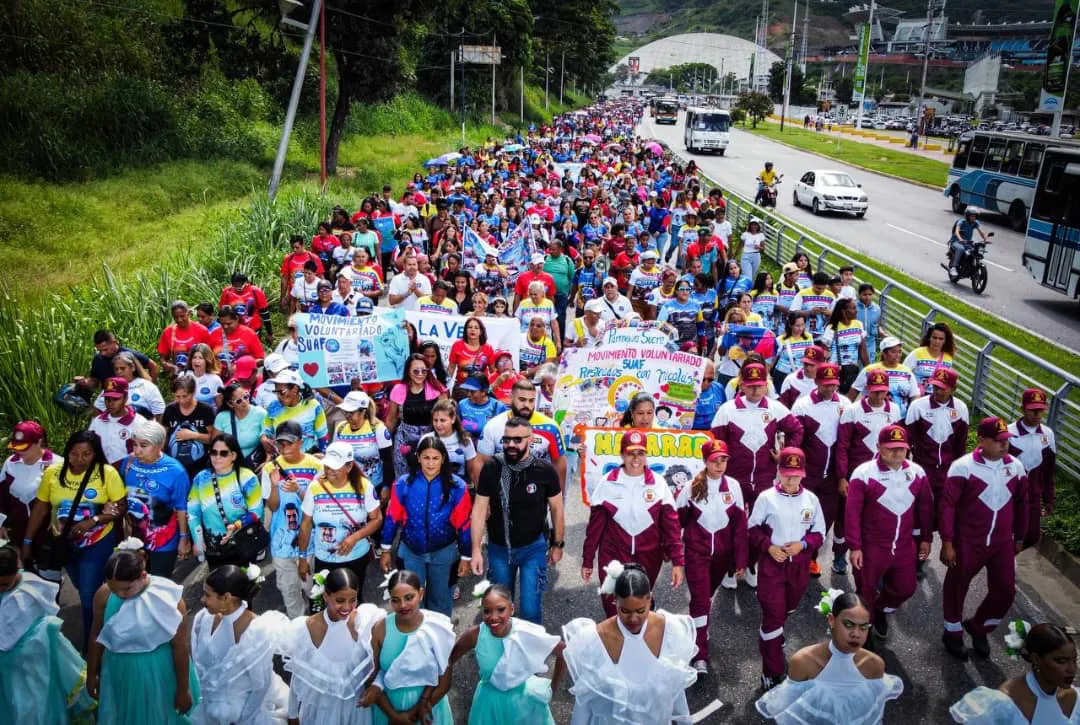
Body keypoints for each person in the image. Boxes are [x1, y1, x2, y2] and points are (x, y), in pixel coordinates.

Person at [23, 430, 126, 645]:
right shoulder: (53, 472)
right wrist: (27, 541)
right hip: (63, 544)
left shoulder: (107, 473)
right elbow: (41, 507)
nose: (79, 459)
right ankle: (104, 608)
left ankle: (92, 644)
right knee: (82, 586)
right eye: (74, 454)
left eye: (86, 454)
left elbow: (121, 506)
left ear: (95, 454)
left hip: (97, 544)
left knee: (88, 597)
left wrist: (93, 520)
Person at [562, 562, 697, 724]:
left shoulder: (671, 630)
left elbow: (675, 688)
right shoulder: (595, 640)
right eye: (625, 611)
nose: (633, 619)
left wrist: (683, 719)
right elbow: (585, 701)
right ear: (615, 601)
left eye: (641, 610)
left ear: (650, 598)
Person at [940, 417, 1029, 661]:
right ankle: (952, 632)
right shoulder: (963, 467)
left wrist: (1020, 536)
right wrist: (947, 542)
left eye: (1006, 441)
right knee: (957, 586)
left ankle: (980, 627)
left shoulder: (1016, 467)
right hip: (968, 540)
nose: (1004, 445)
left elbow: (1023, 504)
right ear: (981, 440)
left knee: (1005, 591)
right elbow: (947, 505)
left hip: (1002, 542)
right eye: (998, 441)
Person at [86, 545, 199, 723]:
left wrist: (183, 689)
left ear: (143, 575)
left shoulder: (168, 598)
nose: (120, 594)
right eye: (113, 588)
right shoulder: (103, 596)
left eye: (127, 589)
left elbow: (179, 647)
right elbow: (96, 637)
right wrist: (92, 673)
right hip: (119, 672)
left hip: (158, 672)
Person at [470, 416, 564, 625]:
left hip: (533, 549)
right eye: (506, 440)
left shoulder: (545, 470)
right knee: (500, 611)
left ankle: (530, 655)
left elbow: (557, 508)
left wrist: (557, 544)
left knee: (530, 611)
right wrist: (475, 549)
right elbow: (479, 509)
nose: (510, 445)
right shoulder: (492, 467)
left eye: (517, 440)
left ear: (530, 440)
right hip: (499, 549)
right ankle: (502, 653)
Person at [581, 430, 685, 617]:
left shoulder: (659, 484)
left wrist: (678, 562)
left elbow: (672, 527)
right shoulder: (607, 483)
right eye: (631, 453)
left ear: (646, 455)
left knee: (639, 602)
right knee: (612, 603)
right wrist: (587, 560)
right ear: (622, 454)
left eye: (641, 453)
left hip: (649, 555)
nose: (636, 458)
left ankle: (639, 639)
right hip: (613, 553)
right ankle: (615, 641)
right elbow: (594, 528)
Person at [756, 591, 904, 722]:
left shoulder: (874, 665)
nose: (856, 634)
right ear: (831, 620)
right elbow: (789, 704)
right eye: (848, 624)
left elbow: (871, 708)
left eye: (863, 627)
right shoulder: (803, 662)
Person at [747, 447, 827, 690]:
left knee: (786, 611)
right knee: (772, 616)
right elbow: (752, 528)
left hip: (799, 568)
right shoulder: (766, 498)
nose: (791, 480)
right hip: (772, 567)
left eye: (796, 475)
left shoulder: (811, 500)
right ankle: (771, 672)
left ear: (803, 474)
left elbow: (820, 532)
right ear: (779, 472)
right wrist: (769, 547)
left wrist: (803, 545)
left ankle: (773, 638)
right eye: (787, 474)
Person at [846, 426, 935, 640]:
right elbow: (852, 513)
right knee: (865, 591)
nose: (897, 453)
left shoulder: (917, 473)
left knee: (906, 588)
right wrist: (855, 546)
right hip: (872, 546)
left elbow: (925, 508)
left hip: (904, 545)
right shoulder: (864, 473)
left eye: (901, 448)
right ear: (879, 447)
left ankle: (881, 610)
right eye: (891, 448)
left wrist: (925, 538)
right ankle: (863, 636)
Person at [0, 542, 96, 724]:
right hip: (8, 670)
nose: (1, 589)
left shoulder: (26, 596)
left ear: (17, 568)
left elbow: (11, 637)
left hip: (32, 667)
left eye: (5, 584)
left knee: (31, 712)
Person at [447, 582, 565, 725]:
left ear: (512, 609)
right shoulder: (475, 635)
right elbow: (448, 661)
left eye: (501, 610)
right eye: (487, 611)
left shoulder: (525, 631)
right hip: (489, 705)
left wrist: (552, 688)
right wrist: (438, 692)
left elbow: (563, 652)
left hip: (524, 703)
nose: (493, 617)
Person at [676, 440, 748, 672]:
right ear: (705, 461)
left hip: (722, 557)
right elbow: (677, 523)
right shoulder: (689, 488)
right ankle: (700, 653)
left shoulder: (734, 486)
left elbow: (740, 526)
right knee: (699, 599)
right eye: (714, 460)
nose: (719, 465)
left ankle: (699, 624)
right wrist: (676, 555)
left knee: (706, 597)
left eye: (723, 460)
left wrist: (740, 560)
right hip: (696, 554)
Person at [279, 567, 385, 725]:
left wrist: (378, 685)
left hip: (356, 711)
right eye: (340, 601)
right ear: (326, 596)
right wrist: (293, 714)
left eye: (353, 600)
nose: (347, 607)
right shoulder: (306, 629)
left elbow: (384, 660)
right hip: (320, 713)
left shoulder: (364, 622)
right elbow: (299, 676)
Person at [379, 437, 472, 617]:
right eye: (426, 457)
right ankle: (415, 641)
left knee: (441, 600)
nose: (430, 463)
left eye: (435, 458)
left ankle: (440, 640)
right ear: (418, 457)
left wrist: (466, 556)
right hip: (411, 552)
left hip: (444, 552)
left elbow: (464, 523)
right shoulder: (403, 483)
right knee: (411, 602)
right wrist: (385, 550)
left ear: (443, 459)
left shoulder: (457, 486)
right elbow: (392, 518)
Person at [189, 565, 289, 725]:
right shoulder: (203, 618)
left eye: (208, 595)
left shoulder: (257, 632)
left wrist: (244, 720)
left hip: (242, 712)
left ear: (226, 597)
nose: (202, 600)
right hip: (206, 705)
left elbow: (260, 688)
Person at [711, 361, 804, 517]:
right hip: (734, 477)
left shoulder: (776, 408)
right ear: (742, 385)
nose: (755, 390)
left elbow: (796, 429)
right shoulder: (727, 410)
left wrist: (785, 453)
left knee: (761, 521)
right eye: (751, 386)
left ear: (766, 386)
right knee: (731, 520)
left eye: (759, 386)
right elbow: (715, 441)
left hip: (764, 477)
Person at [362, 569, 456, 725]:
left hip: (427, 708)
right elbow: (371, 676)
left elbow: (444, 682)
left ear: (421, 594)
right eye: (396, 600)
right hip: (388, 708)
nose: (403, 605)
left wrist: (412, 715)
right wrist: (394, 716)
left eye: (409, 597)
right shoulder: (380, 628)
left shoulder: (437, 628)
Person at [298, 442, 383, 600]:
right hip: (324, 559)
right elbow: (306, 523)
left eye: (335, 467)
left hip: (356, 558)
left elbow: (377, 519)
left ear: (349, 466)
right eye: (327, 466)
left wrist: (354, 538)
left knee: (352, 602)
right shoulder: (315, 487)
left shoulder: (365, 487)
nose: (329, 471)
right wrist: (302, 557)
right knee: (323, 602)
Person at [950, 622, 1078, 723]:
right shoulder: (1003, 705)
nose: (1072, 669)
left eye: (1074, 660)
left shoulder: (1076, 698)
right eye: (1061, 661)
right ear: (1036, 659)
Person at [791, 363, 850, 577]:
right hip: (809, 473)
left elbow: (847, 441)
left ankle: (811, 558)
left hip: (833, 476)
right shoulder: (802, 405)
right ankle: (797, 556)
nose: (830, 389)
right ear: (816, 382)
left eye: (834, 384)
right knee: (802, 516)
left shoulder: (845, 404)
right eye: (826, 384)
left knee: (826, 518)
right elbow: (795, 440)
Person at [260, 420, 321, 618]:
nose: (285, 448)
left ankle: (316, 627)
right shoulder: (269, 469)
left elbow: (319, 505)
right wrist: (276, 486)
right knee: (289, 592)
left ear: (301, 442)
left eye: (290, 443)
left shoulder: (316, 466)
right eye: (281, 444)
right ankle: (297, 631)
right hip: (281, 542)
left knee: (312, 590)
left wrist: (299, 490)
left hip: (310, 541)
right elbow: (273, 506)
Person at [117, 420, 192, 577]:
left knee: (159, 585)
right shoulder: (129, 462)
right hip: (135, 538)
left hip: (164, 541)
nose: (137, 451)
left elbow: (182, 508)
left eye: (143, 446)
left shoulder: (175, 471)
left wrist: (184, 539)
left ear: (159, 445)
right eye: (135, 444)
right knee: (134, 582)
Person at [188, 433, 266, 569]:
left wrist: (236, 525)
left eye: (223, 453)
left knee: (242, 586)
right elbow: (192, 512)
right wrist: (197, 539)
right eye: (213, 452)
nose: (217, 457)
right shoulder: (201, 479)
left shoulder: (247, 478)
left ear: (234, 456)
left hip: (243, 545)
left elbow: (256, 512)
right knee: (218, 586)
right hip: (214, 548)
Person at [905, 366, 969, 527]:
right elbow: (908, 439)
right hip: (923, 466)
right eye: (935, 386)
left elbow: (961, 443)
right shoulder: (918, 406)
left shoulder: (961, 408)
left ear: (953, 389)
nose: (938, 391)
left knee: (944, 515)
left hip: (948, 469)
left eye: (943, 388)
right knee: (919, 512)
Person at [0, 421, 60, 557]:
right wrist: (0, 524)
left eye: (24, 447)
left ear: (39, 442)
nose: (18, 451)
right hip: (15, 530)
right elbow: (1, 496)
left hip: (46, 533)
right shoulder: (11, 463)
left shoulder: (57, 464)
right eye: (16, 447)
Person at [1010, 388, 1058, 549]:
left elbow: (1049, 469)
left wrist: (1049, 497)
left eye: (1040, 410)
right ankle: (1002, 562)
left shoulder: (1048, 434)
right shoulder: (1009, 432)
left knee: (1032, 535)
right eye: (1032, 410)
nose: (1036, 415)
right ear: (1022, 408)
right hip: (1009, 493)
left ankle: (1006, 557)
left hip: (1033, 495)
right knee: (1006, 529)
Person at [385, 354, 447, 478]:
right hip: (404, 440)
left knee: (430, 475)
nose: (420, 374)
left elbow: (446, 417)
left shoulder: (437, 389)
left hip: (430, 440)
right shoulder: (398, 389)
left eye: (424, 370)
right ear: (408, 371)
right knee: (404, 477)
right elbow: (391, 419)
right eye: (416, 370)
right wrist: (385, 444)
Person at [332, 390, 395, 500]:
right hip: (348, 487)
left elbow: (388, 461)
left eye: (351, 412)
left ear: (362, 412)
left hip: (374, 487)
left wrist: (386, 487)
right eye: (345, 412)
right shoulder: (340, 428)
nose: (347, 416)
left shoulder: (377, 429)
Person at [260, 369, 329, 457]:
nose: (278, 397)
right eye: (276, 392)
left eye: (282, 392)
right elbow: (266, 431)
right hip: (282, 461)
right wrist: (264, 438)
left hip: (309, 460)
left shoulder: (313, 405)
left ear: (295, 389)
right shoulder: (273, 407)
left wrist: (323, 456)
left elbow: (323, 436)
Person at [850, 337, 920, 419]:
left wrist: (912, 414)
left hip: (900, 417)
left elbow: (915, 395)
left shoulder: (907, 372)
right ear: (884, 353)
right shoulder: (870, 370)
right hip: (872, 416)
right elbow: (855, 390)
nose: (897, 355)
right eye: (893, 352)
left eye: (899, 351)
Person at [162, 376, 216, 479]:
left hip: (199, 464)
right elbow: (164, 436)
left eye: (185, 396)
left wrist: (193, 435)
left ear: (193, 392)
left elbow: (213, 438)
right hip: (174, 463)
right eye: (177, 397)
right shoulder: (170, 409)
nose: (181, 401)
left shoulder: (205, 410)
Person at [74, 329, 159, 394]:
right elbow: (95, 381)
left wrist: (152, 389)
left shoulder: (128, 355)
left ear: (114, 343)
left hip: (133, 396)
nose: (102, 353)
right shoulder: (98, 359)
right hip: (110, 398)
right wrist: (85, 382)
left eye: (105, 349)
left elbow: (153, 366)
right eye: (99, 350)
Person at [421, 399, 479, 484]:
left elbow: (472, 472)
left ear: (453, 419)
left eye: (442, 420)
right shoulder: (426, 439)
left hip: (457, 486)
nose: (438, 425)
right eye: (435, 420)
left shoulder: (464, 440)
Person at [92, 353, 165, 420]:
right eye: (116, 369)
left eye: (122, 368)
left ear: (132, 367)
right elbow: (98, 409)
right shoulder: (111, 386)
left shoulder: (147, 386)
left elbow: (159, 413)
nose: (119, 372)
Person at [215, 382, 269, 469]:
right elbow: (215, 444)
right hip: (229, 465)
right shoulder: (222, 417)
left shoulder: (261, 413)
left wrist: (267, 463)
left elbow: (268, 441)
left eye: (246, 397)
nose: (244, 402)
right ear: (230, 404)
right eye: (239, 401)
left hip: (254, 464)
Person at [819, 298, 868, 393]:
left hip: (852, 370)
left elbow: (862, 349)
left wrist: (868, 369)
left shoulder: (858, 325)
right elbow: (824, 352)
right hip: (834, 371)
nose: (856, 311)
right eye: (853, 308)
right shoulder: (832, 328)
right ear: (843, 311)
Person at [157, 300, 211, 378]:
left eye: (182, 316)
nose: (179, 320)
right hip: (178, 377)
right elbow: (163, 358)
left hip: (199, 375)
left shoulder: (201, 330)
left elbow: (209, 356)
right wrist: (167, 365)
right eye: (176, 317)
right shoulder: (168, 332)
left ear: (189, 313)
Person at [219, 273, 273, 345]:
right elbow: (222, 313)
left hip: (253, 329)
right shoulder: (227, 292)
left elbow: (265, 313)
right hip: (233, 329)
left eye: (239, 283)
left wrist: (269, 333)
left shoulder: (255, 291)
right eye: (235, 284)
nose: (237, 286)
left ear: (246, 282)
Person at [447, 317, 495, 396]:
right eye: (470, 327)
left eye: (476, 328)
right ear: (465, 330)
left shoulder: (488, 348)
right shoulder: (457, 345)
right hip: (461, 389)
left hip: (481, 389)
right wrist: (446, 386)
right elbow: (451, 368)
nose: (473, 330)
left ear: (481, 332)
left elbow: (492, 371)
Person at [772, 312, 815, 392]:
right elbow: (772, 359)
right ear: (790, 325)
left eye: (802, 325)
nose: (801, 328)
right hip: (783, 375)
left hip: (802, 376)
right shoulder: (781, 339)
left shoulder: (809, 337)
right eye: (797, 326)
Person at [789, 272, 836, 342]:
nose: (821, 291)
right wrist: (809, 312)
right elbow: (792, 313)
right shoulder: (802, 294)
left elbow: (836, 315)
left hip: (823, 336)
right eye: (818, 288)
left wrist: (830, 313)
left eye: (824, 288)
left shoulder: (830, 295)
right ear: (812, 283)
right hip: (804, 335)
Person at [178, 343, 225, 411]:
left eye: (201, 358)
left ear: (207, 360)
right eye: (194, 357)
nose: (197, 361)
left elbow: (221, 408)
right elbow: (177, 403)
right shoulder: (183, 376)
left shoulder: (215, 380)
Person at [778, 344, 826, 409]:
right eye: (806, 364)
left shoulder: (827, 380)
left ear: (821, 364)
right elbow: (783, 406)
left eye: (812, 365)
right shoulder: (791, 380)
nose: (808, 368)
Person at [949, 206, 989, 277]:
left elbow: (981, 231)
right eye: (972, 216)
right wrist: (960, 239)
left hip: (967, 243)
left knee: (976, 249)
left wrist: (985, 239)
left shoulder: (975, 223)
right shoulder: (961, 221)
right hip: (956, 242)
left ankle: (970, 267)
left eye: (975, 216)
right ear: (968, 216)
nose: (973, 218)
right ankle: (954, 268)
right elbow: (956, 231)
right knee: (960, 248)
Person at [856, 284, 884, 362]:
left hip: (870, 344)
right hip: (856, 344)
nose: (867, 297)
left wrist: (885, 335)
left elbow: (878, 326)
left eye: (870, 294)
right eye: (864, 294)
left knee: (868, 368)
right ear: (859, 294)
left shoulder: (877, 308)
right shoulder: (853, 307)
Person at [740, 217, 766, 282]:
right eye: (752, 224)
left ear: (758, 226)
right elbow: (740, 245)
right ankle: (747, 290)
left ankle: (745, 288)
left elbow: (763, 248)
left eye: (756, 225)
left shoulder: (761, 235)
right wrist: (734, 255)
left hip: (756, 256)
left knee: (752, 276)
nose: (754, 226)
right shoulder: (745, 234)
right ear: (750, 225)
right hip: (746, 256)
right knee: (748, 276)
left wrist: (759, 247)